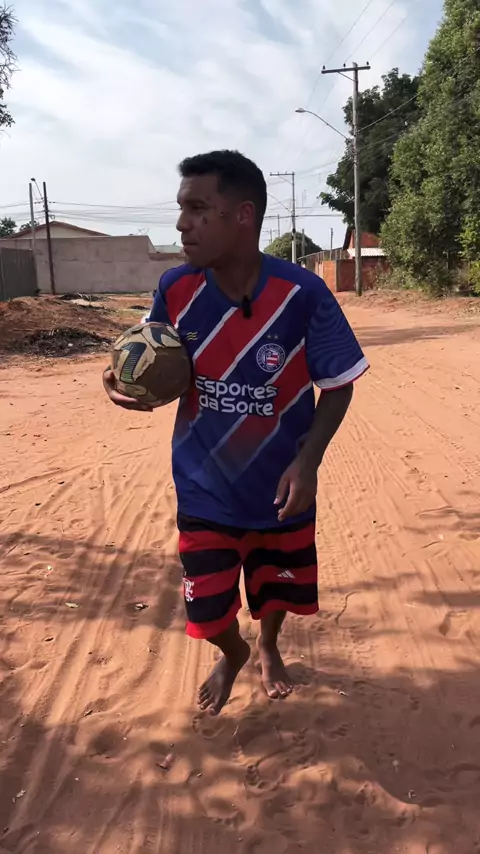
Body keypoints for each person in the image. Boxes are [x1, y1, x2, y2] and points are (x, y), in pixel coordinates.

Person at [103, 150, 368, 716]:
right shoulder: (175, 288)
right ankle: (234, 651)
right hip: (204, 484)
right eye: (182, 209)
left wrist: (308, 462)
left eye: (198, 209)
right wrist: (121, 376)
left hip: (281, 485)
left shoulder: (303, 294)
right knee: (205, 607)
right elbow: (150, 352)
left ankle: (268, 645)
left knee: (275, 587)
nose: (182, 224)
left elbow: (339, 384)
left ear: (243, 215)